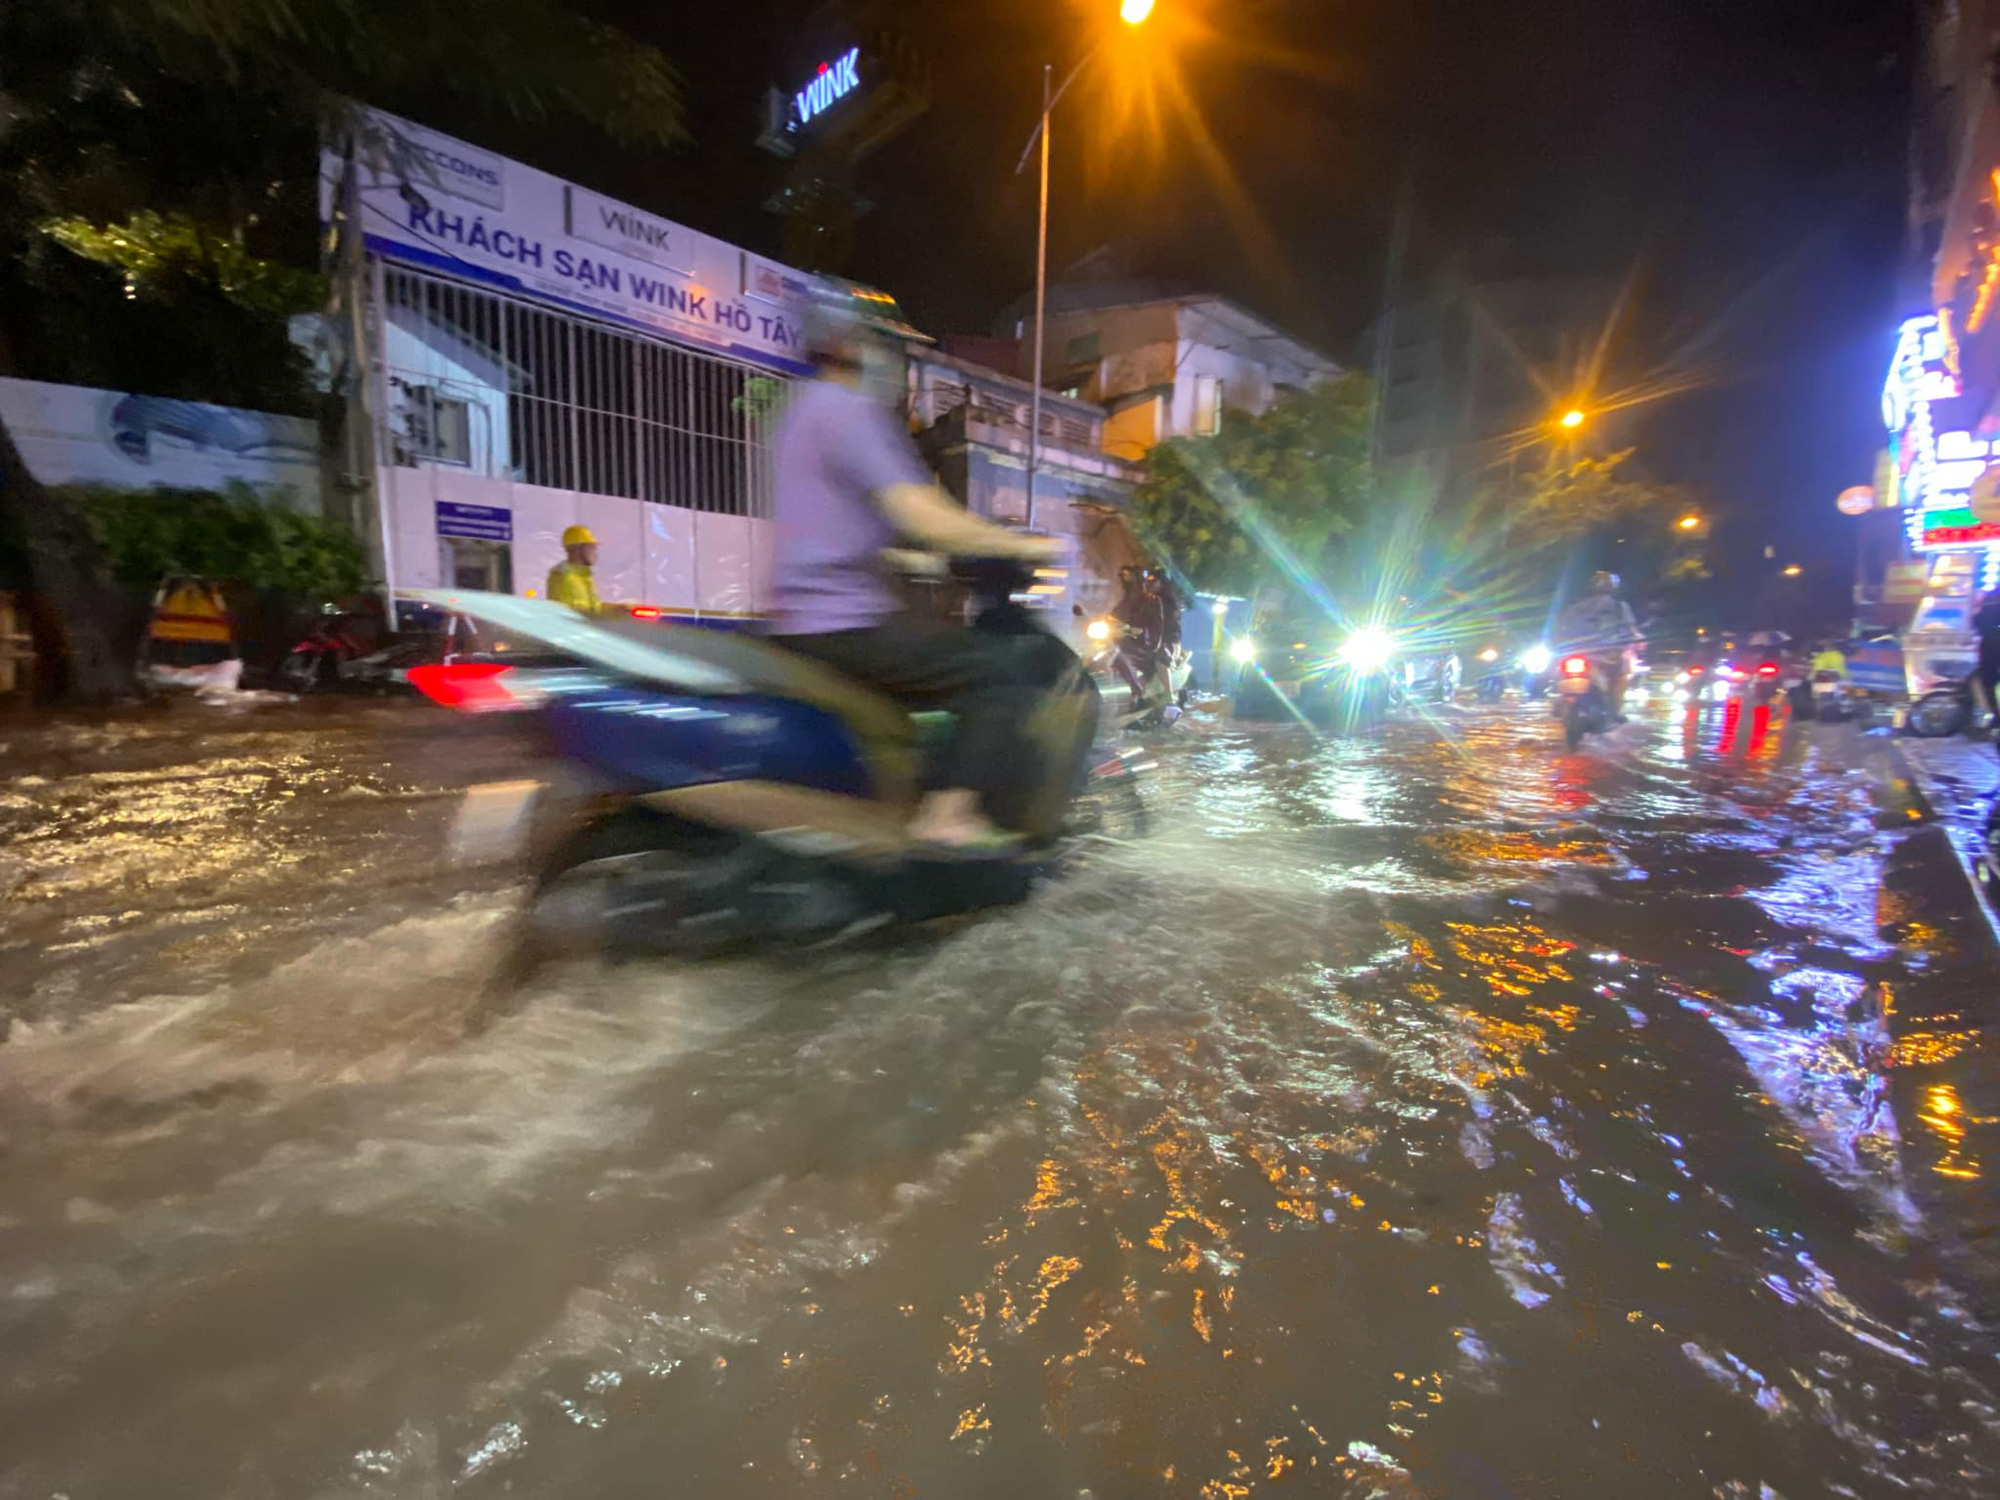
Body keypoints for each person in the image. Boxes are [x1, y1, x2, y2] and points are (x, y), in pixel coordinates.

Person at [769, 278, 1063, 851]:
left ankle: (908, 799)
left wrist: (917, 559)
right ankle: (947, 816)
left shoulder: (799, 411)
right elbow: (925, 512)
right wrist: (1023, 547)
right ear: (854, 342)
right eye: (888, 344)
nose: (897, 360)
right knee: (1004, 669)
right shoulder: (850, 411)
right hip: (842, 628)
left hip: (802, 625)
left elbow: (840, 524)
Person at [1551, 569, 1641, 717]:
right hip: (1606, 655)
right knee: (1623, 673)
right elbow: (1630, 629)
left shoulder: (1574, 607)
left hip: (1577, 653)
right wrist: (1636, 639)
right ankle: (1615, 711)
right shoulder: (1619, 607)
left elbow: (1558, 630)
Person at [545, 525, 602, 614]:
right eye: (590, 547)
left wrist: (617, 609)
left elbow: (595, 609)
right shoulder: (560, 575)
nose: (594, 553)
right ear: (576, 548)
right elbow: (557, 611)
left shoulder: (586, 575)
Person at [1974, 588, 2000, 720]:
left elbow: (1976, 622)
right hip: (1991, 646)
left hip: (1989, 646)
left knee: (1989, 682)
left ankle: (1995, 716)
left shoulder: (1988, 603)